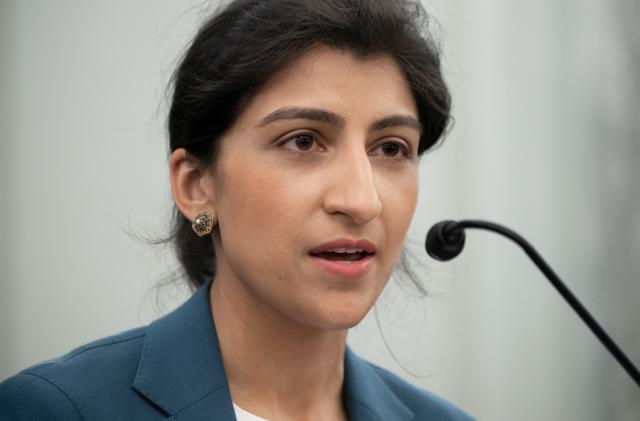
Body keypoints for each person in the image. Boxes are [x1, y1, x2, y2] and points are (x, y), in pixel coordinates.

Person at [0, 0, 473, 419]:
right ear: (197, 187)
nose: (361, 200)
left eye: (391, 149)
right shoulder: (53, 409)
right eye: (303, 140)